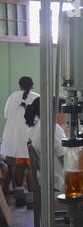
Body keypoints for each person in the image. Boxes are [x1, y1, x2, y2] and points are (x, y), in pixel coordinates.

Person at [1, 76, 40, 206]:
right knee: (31, 166)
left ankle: (19, 197)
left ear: (19, 85)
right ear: (32, 85)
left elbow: (6, 114)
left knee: (19, 165)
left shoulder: (12, 96)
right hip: (29, 133)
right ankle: (32, 198)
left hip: (13, 135)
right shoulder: (36, 97)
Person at [26, 97, 67, 192]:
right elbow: (65, 159)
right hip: (58, 182)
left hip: (45, 180)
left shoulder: (35, 127)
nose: (65, 114)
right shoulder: (53, 128)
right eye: (64, 110)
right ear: (55, 111)